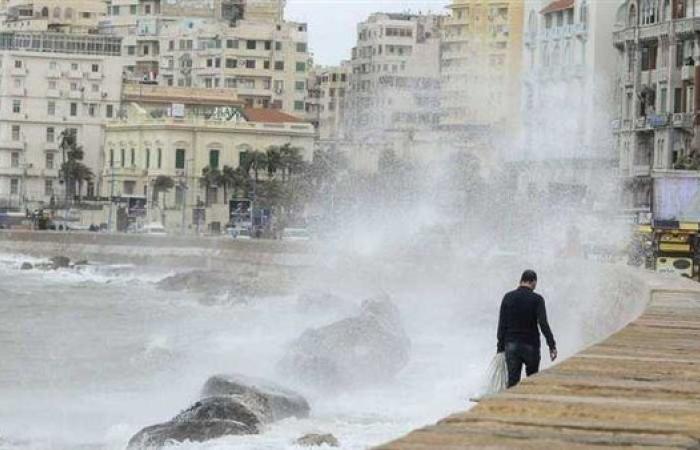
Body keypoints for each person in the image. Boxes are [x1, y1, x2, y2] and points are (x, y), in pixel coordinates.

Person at [497, 270, 557, 388]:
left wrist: (500, 347)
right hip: (531, 346)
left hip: (511, 345)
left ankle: (510, 405)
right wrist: (551, 345)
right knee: (531, 382)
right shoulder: (537, 299)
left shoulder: (508, 297)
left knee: (513, 383)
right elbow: (543, 323)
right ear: (533, 282)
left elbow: (502, 324)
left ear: (521, 281)